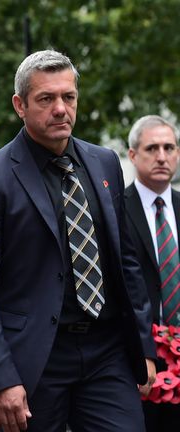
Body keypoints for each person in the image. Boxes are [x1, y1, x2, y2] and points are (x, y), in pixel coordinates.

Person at [0, 50, 156, 431]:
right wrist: (1, 379)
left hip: (107, 351)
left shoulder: (105, 163)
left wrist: (144, 347)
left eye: (69, 97)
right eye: (46, 99)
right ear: (20, 105)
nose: (61, 109)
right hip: (36, 359)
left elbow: (125, 259)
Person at [123, 115, 180, 432]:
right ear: (133, 155)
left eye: (169, 147)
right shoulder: (116, 210)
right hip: (139, 362)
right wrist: (139, 353)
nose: (162, 156)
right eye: (152, 148)